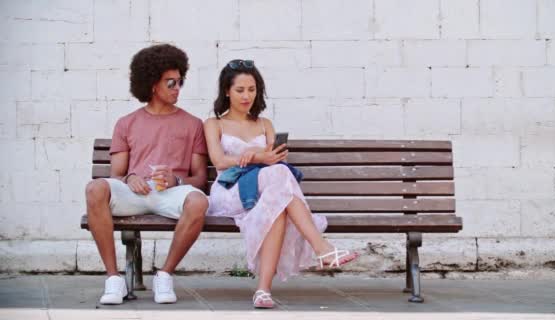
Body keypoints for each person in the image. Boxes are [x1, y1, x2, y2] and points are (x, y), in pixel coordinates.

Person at [204, 59, 359, 309]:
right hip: (231, 192)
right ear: (226, 91)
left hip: (266, 190)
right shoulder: (214, 124)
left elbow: (273, 161)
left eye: (252, 89)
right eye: (240, 90)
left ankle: (263, 292)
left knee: (277, 196)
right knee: (279, 179)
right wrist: (255, 155)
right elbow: (219, 161)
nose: (246, 96)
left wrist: (271, 157)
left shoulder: (265, 124)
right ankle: (321, 247)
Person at [85, 44, 209, 305]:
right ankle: (113, 279)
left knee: (198, 201)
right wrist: (130, 178)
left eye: (180, 81)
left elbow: (199, 179)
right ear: (153, 84)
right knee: (95, 188)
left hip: (172, 192)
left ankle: (165, 274)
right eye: (171, 82)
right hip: (134, 191)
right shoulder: (126, 123)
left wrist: (177, 180)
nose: (178, 88)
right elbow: (116, 174)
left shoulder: (193, 124)